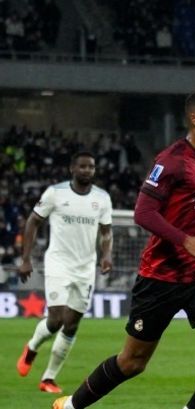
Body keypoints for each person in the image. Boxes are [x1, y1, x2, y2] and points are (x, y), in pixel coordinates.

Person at [48, 90, 195, 409]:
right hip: (160, 277)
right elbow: (143, 213)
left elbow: (194, 210)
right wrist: (186, 239)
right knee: (132, 363)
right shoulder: (172, 161)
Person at [17, 151, 113, 393]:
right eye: (82, 166)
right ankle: (32, 347)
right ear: (72, 168)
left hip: (85, 268)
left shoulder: (102, 199)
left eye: (91, 167)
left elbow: (106, 232)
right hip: (58, 263)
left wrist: (106, 255)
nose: (87, 171)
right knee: (57, 318)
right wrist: (26, 259)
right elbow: (32, 222)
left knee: (71, 325)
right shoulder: (55, 193)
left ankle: (48, 378)